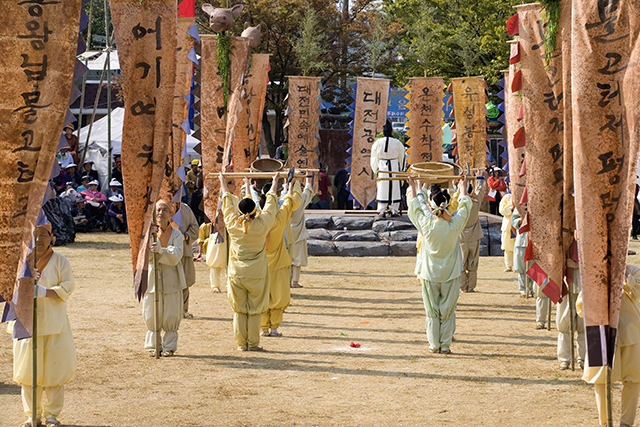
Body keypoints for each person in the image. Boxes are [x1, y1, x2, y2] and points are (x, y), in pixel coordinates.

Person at [12, 223, 76, 427]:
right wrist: (25, 282)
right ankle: (32, 415)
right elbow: (9, 287)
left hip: (54, 322)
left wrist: (44, 292)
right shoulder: (22, 261)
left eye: (43, 235)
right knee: (28, 372)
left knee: (54, 371)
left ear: (52, 237)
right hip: (26, 322)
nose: (38, 239)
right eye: (34, 235)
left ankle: (51, 415)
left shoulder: (61, 261)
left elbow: (68, 286)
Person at [408, 175, 472, 354]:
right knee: (448, 311)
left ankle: (434, 345)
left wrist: (414, 187)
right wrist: (463, 187)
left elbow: (416, 210)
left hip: (430, 274)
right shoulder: (454, 226)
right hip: (450, 274)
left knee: (432, 311)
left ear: (432, 206)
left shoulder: (427, 226)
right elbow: (465, 207)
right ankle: (444, 345)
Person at [220, 172, 279, 351]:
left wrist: (223, 184)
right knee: (254, 309)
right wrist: (275, 183)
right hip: (256, 274)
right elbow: (270, 207)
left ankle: (241, 344)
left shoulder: (233, 224)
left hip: (237, 273)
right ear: (255, 211)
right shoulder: (261, 224)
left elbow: (227, 205)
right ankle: (252, 344)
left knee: (239, 309)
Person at [582, 265, 640, 427]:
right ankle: (605, 422)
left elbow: (637, 294)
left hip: (631, 333)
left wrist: (625, 276)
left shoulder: (635, 271)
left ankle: (626, 423)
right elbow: (582, 304)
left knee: (634, 379)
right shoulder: (593, 272)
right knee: (600, 380)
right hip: (600, 332)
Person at [142, 200, 187, 357]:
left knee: (170, 312)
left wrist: (161, 251)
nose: (161, 213)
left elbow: (177, 254)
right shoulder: (149, 232)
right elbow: (141, 256)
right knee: (151, 311)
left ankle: (169, 346)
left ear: (170, 214)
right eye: (158, 210)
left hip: (171, 277)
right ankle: (153, 345)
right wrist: (149, 239)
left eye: (165, 210)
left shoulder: (176, 234)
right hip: (153, 278)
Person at [261, 179, 303, 337]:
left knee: (262, 296)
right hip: (278, 263)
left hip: (260, 265)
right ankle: (274, 329)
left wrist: (246, 183)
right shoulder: (278, 220)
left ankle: (264, 328)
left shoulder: (255, 220)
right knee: (278, 296)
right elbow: (289, 202)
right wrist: (291, 187)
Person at [557, 235, 585, 370]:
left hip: (584, 283)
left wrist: (578, 264)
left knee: (583, 324)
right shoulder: (563, 230)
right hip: (566, 283)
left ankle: (584, 358)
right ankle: (564, 358)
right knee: (564, 322)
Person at [371, 120, 406, 217]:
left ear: (382, 132)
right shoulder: (397, 142)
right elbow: (402, 156)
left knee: (383, 186)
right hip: (394, 166)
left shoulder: (378, 142)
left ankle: (381, 209)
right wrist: (401, 168)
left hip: (382, 166)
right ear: (392, 131)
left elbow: (373, 157)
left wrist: (376, 169)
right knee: (394, 186)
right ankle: (394, 209)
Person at [459, 179, 484, 293]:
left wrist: (460, 185)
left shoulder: (460, 206)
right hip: (474, 236)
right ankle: (471, 287)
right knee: (473, 262)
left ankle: (463, 286)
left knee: (462, 262)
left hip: (462, 237)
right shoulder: (475, 203)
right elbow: (480, 191)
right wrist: (479, 178)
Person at [290, 178, 315, 288]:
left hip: (285, 232)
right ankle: (295, 281)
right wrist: (307, 179)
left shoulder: (285, 200)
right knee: (297, 259)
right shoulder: (300, 200)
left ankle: (287, 281)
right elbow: (308, 191)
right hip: (298, 233)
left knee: (286, 259)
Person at [176, 203, 199, 319]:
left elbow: (195, 227)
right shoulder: (160, 207)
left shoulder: (185, 208)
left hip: (184, 250)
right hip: (165, 252)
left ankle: (183, 310)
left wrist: (186, 236)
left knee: (185, 281)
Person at [511, 209, 532, 298]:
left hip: (534, 241)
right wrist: (520, 220)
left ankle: (533, 290)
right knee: (521, 268)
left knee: (533, 267)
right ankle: (523, 289)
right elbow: (513, 220)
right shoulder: (520, 206)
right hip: (522, 241)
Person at [499, 193, 516, 272]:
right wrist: (511, 208)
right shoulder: (506, 197)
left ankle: (517, 266)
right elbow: (502, 209)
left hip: (517, 226)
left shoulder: (520, 195)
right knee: (507, 247)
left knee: (517, 247)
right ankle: (508, 265)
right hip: (507, 226)